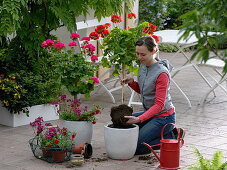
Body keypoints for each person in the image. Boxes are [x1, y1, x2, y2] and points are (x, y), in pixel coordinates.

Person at [121, 36, 184, 155]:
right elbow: (144, 91)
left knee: (137, 147)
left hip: (163, 117)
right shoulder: (143, 66)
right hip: (151, 113)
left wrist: (140, 119)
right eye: (137, 54)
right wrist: (131, 83)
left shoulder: (162, 74)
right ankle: (161, 133)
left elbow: (159, 105)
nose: (139, 57)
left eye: (143, 54)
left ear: (154, 51)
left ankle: (173, 135)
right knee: (122, 122)